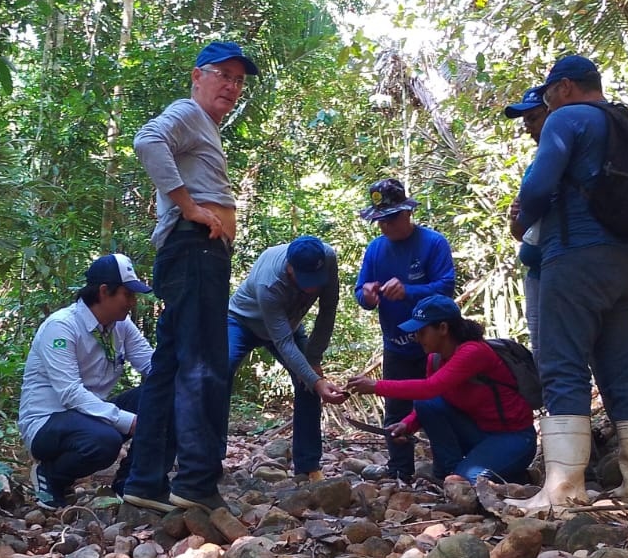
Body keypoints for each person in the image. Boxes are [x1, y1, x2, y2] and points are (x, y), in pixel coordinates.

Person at [510, 55, 628, 512]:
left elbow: (537, 188)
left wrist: (522, 221)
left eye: (549, 92)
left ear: (565, 87)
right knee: (621, 371)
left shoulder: (567, 118)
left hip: (572, 258)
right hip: (625, 263)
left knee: (563, 366)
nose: (547, 101)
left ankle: (563, 492)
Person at [120, 41, 260, 514]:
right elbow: (147, 141)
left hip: (190, 252)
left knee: (170, 366)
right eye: (224, 75)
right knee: (204, 363)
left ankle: (145, 480)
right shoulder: (187, 112)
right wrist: (191, 207)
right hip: (195, 250)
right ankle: (197, 481)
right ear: (198, 75)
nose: (232, 86)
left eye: (239, 80)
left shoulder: (203, 125)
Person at [346, 296, 537, 484]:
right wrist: (407, 425)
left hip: (515, 437)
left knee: (466, 481)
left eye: (422, 332)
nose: (417, 338)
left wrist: (376, 386)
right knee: (427, 405)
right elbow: (431, 399)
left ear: (443, 328)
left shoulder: (474, 352)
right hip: (478, 432)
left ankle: (501, 476)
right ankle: (448, 472)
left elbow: (430, 388)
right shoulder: (435, 359)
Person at [17, 254, 155, 510]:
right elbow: (70, 393)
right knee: (104, 441)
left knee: (163, 395)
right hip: (49, 421)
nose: (133, 302)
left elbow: (153, 366)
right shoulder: (61, 327)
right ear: (104, 291)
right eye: (127, 294)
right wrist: (130, 421)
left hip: (90, 416)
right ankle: (51, 474)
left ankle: (131, 483)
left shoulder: (121, 326)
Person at [354, 178, 457, 480]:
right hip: (396, 344)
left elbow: (446, 287)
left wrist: (409, 291)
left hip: (435, 346)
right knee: (396, 407)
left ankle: (449, 469)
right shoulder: (376, 249)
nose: (384, 226)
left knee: (439, 404)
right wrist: (367, 295)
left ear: (408, 213)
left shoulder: (433, 243)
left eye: (391, 219)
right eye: (380, 220)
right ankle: (399, 469)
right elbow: (360, 291)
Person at [228, 236, 349, 479]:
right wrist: (315, 379)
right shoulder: (269, 282)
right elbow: (282, 342)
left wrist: (313, 362)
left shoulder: (328, 258)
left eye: (316, 281)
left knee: (308, 383)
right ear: (290, 268)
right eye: (306, 281)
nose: (312, 289)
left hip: (289, 324)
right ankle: (208, 459)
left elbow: (328, 309)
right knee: (219, 373)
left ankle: (308, 466)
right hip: (243, 321)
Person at [504, 86, 549, 355]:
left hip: (559, 271)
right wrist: (515, 217)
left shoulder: (561, 158)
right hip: (537, 271)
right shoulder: (537, 165)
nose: (528, 128)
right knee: (543, 351)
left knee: (561, 354)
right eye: (525, 121)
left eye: (533, 118)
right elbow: (521, 229)